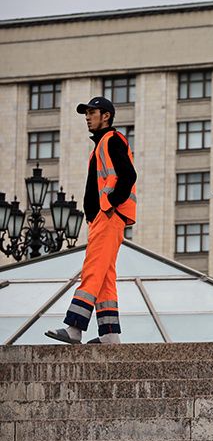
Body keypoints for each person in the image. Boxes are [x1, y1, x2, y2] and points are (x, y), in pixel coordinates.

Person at [45, 97, 137, 345]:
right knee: (105, 276)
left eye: (92, 112)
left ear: (106, 116)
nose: (87, 117)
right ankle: (110, 335)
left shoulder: (111, 140)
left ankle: (75, 327)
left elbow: (129, 175)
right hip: (104, 217)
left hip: (108, 216)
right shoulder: (103, 144)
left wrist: (110, 204)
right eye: (86, 113)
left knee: (93, 271)